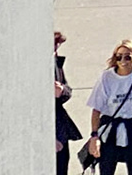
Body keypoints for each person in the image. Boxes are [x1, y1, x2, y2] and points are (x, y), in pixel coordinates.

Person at [87, 41, 132, 175]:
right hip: (110, 131)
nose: (123, 61)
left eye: (127, 57)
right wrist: (94, 137)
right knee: (106, 169)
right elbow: (96, 109)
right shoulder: (107, 77)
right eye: (119, 57)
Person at [55, 32, 83, 175]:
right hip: (51, 129)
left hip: (60, 127)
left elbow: (67, 90)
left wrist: (61, 91)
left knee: (62, 165)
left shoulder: (56, 63)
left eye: (58, 44)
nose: (56, 48)